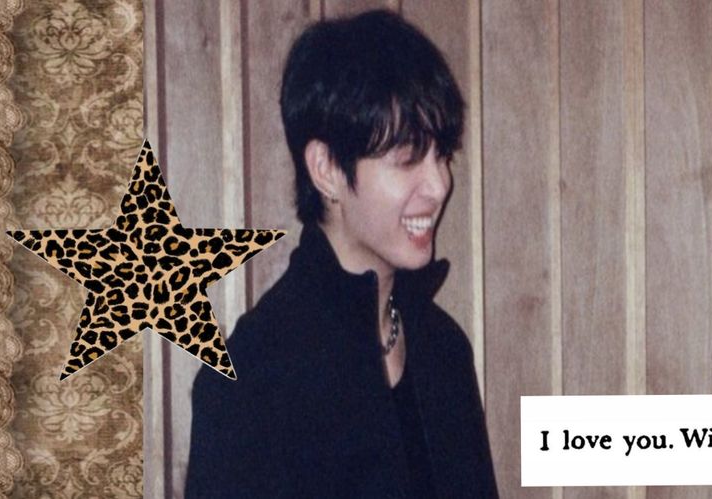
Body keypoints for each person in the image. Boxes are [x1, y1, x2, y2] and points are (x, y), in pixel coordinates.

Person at [185, 10, 497, 498]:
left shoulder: (444, 349)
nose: (439, 185)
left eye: (442, 155)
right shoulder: (255, 373)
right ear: (327, 169)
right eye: (408, 159)